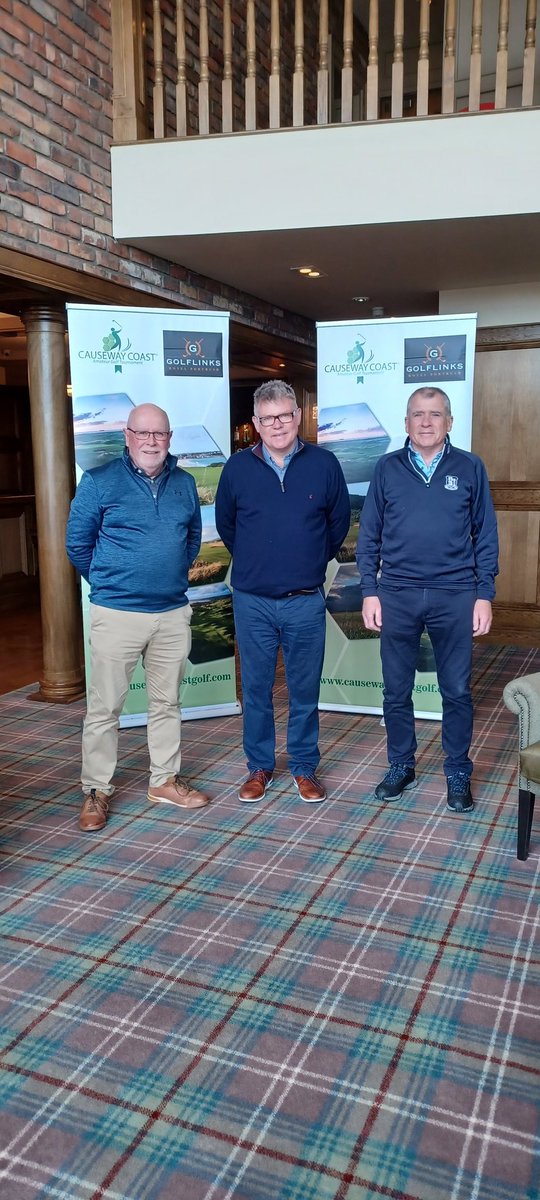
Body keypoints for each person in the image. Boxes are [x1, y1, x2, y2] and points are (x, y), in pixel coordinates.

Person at [66, 403, 209, 832]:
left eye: (159, 434)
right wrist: (114, 584)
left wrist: (164, 580)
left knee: (167, 703)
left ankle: (163, 780)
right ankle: (96, 790)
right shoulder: (99, 481)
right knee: (105, 708)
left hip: (170, 612)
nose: (151, 441)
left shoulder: (184, 484)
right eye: (143, 433)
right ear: (127, 436)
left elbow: (192, 541)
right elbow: (78, 545)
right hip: (117, 613)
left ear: (169, 439)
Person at [356, 386, 499, 813]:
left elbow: (486, 536)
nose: (425, 421)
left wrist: (484, 595)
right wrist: (369, 591)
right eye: (418, 414)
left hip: (455, 595)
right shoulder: (386, 468)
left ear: (449, 422)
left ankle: (457, 769)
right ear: (406, 423)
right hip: (396, 594)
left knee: (455, 690)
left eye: (435, 414)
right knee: (396, 691)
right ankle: (401, 764)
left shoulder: (470, 467)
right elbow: (369, 537)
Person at [215, 379, 351, 803]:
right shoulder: (237, 468)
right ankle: (259, 768)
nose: (277, 424)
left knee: (304, 689)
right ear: (256, 423)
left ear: (298, 417)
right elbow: (227, 526)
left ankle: (304, 768)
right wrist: (260, 563)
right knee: (255, 689)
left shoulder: (324, 464)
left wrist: (307, 560)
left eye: (285, 415)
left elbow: (338, 523)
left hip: (304, 600)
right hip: (252, 601)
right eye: (268, 417)